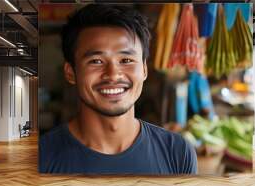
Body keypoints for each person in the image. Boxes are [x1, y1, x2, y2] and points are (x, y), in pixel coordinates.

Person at [39, 4, 197, 174]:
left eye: (126, 60)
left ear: (144, 70)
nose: (113, 75)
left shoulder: (178, 153)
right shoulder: (41, 158)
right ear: (71, 73)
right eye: (96, 61)